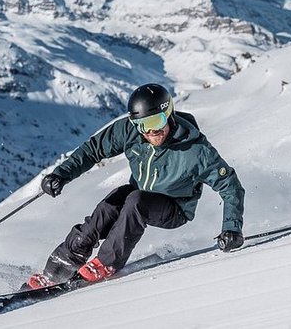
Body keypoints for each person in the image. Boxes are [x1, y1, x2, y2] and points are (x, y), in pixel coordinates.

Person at [26, 83, 245, 289]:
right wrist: (61, 175)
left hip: (175, 207)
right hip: (138, 193)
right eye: (142, 125)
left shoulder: (196, 151)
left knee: (135, 201)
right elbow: (93, 150)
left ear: (168, 113)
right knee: (109, 206)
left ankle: (106, 262)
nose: (150, 132)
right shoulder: (131, 132)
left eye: (155, 122)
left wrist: (232, 228)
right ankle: (59, 267)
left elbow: (230, 185)